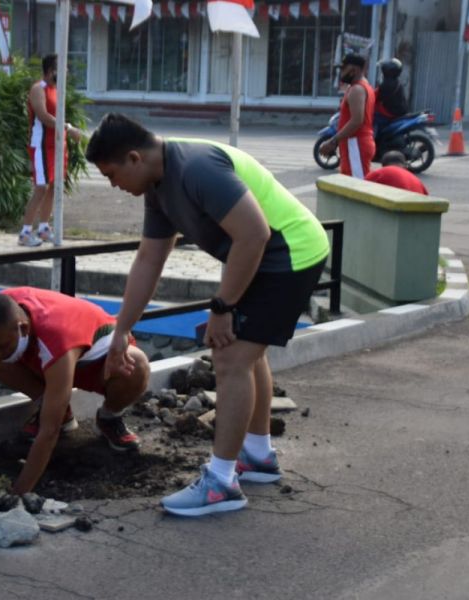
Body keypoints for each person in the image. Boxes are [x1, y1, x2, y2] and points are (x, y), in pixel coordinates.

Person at [85, 114, 331, 517]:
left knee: (230, 356)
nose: (114, 186)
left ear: (133, 158)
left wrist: (223, 307)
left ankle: (221, 483)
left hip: (289, 252)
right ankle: (257, 455)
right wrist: (120, 331)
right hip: (262, 254)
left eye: (111, 175)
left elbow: (254, 233)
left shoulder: (196, 167)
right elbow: (149, 259)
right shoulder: (157, 185)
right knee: (247, 355)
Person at [0, 287, 150, 494]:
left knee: (137, 365)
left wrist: (18, 492)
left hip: (99, 362)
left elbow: (49, 432)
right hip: (47, 356)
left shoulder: (56, 339)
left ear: (23, 328)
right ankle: (56, 408)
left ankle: (109, 417)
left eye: (3, 346)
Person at [18, 54, 82, 247]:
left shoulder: (57, 90)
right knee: (41, 187)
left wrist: (65, 129)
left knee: (54, 186)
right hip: (41, 144)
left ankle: (44, 228)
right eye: (61, 68)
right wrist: (68, 128)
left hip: (56, 144)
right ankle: (25, 232)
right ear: (50, 70)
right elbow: (44, 116)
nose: (66, 72)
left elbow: (57, 115)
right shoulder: (39, 89)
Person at [319, 53, 376, 179]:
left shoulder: (357, 89)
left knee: (357, 186)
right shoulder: (363, 86)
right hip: (354, 143)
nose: (341, 72)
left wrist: (333, 141)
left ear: (354, 70)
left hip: (356, 143)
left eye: (343, 68)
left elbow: (357, 121)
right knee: (351, 184)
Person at [374, 58, 409, 135]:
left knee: (373, 117)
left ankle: (373, 138)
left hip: (392, 112)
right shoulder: (395, 81)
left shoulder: (387, 84)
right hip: (399, 110)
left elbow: (375, 97)